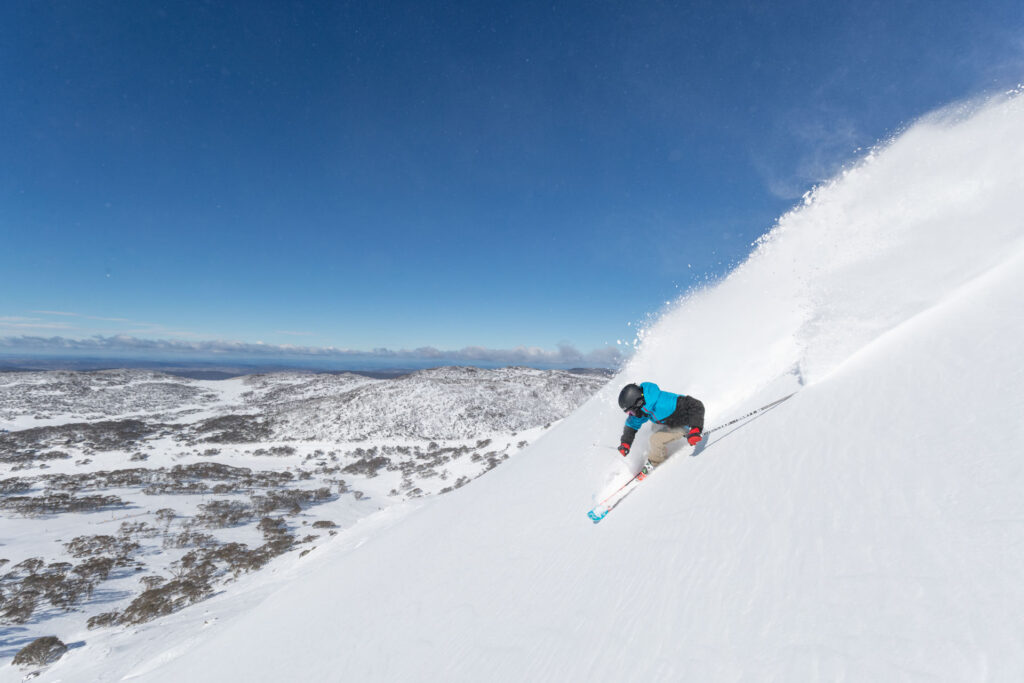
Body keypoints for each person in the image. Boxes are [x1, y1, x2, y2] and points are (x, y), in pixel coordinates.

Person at [616, 382, 704, 473]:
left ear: (638, 403)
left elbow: (696, 405)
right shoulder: (645, 406)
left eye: (630, 412)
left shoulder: (664, 403)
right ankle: (661, 451)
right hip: (668, 422)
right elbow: (632, 424)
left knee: (655, 439)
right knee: (653, 429)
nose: (631, 415)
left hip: (683, 424)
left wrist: (695, 428)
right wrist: (625, 443)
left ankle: (655, 463)